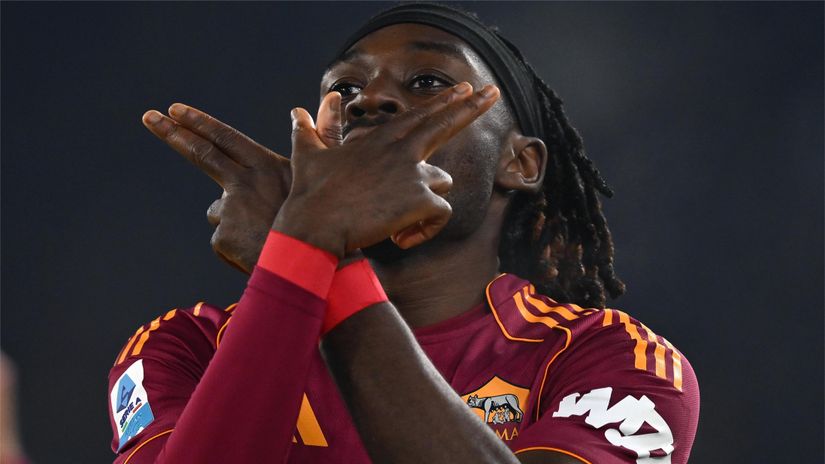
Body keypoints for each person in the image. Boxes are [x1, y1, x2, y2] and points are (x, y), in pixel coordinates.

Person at [109, 3, 699, 463]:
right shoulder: (185, 345)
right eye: (342, 90)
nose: (369, 100)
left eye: (426, 81)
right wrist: (309, 247)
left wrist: (312, 250)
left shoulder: (611, 358)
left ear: (519, 164)